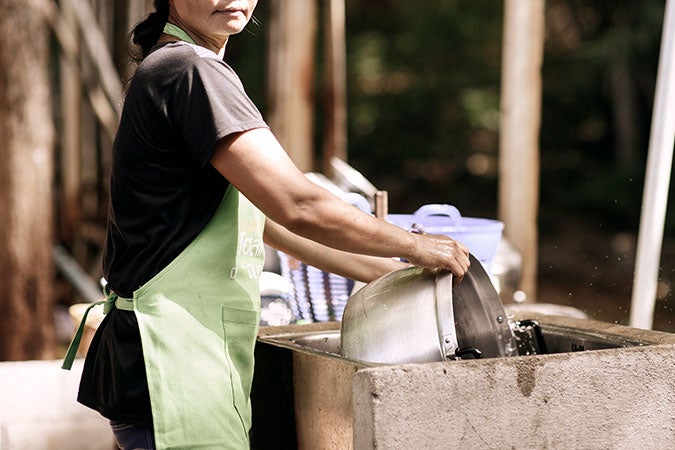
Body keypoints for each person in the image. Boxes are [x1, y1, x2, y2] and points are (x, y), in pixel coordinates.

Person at [62, 1, 471, 449]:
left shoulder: (179, 67)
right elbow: (298, 203)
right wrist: (416, 246)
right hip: (173, 368)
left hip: (178, 367)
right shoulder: (190, 72)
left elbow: (271, 224)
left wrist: (398, 276)